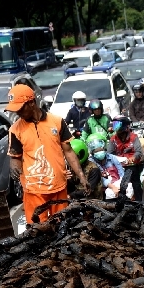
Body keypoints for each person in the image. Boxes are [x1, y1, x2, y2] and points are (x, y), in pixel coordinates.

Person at [6, 85, 89, 224]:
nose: (18, 113)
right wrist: (14, 167)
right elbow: (15, 157)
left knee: (61, 225)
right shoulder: (15, 130)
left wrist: (81, 176)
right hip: (33, 190)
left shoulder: (56, 121)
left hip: (58, 187)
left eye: (20, 108)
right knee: (37, 229)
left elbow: (68, 151)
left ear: (31, 103)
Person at [107, 115, 144, 200]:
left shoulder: (133, 137)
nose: (116, 127)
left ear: (125, 126)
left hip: (132, 165)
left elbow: (139, 152)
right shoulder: (113, 139)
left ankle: (139, 202)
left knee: (135, 182)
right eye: (114, 124)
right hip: (118, 165)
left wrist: (133, 158)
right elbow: (109, 154)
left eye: (118, 124)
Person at [90, 134, 133, 200]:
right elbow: (101, 179)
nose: (99, 152)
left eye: (100, 150)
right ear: (92, 152)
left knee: (129, 188)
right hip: (104, 187)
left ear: (104, 148)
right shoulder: (91, 162)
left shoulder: (112, 157)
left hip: (117, 182)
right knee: (110, 194)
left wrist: (123, 186)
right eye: (96, 151)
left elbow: (121, 172)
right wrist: (113, 187)